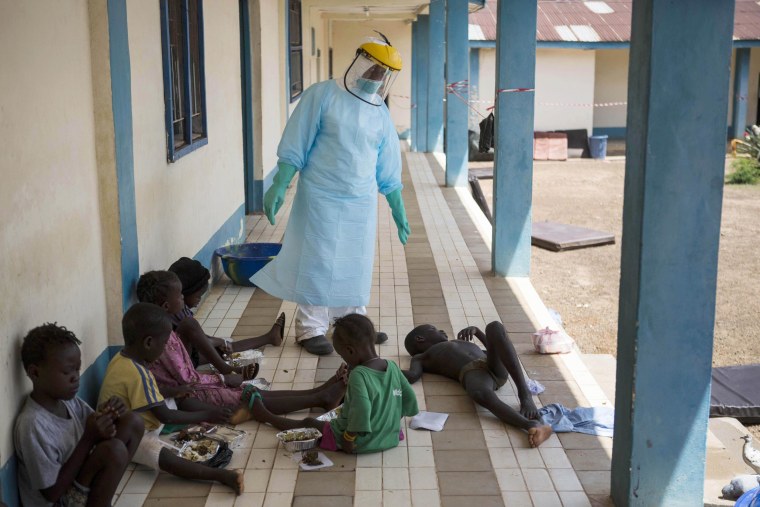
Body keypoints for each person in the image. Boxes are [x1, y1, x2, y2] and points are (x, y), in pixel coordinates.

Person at [251, 33, 410, 355]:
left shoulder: (379, 110)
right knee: (318, 260)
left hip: (360, 201)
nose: (377, 77)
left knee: (356, 262)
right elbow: (297, 141)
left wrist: (398, 208)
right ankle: (310, 328)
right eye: (374, 69)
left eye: (384, 74)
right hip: (321, 195)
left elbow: (387, 163)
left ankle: (352, 324)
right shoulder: (322, 95)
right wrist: (280, 183)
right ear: (359, 61)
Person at [137, 270, 345, 424]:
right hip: (190, 394)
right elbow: (188, 380)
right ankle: (319, 397)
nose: (183, 298)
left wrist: (224, 378)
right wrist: (224, 378)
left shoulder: (164, 332)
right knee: (250, 396)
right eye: (180, 296)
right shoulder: (164, 341)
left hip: (194, 388)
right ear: (166, 306)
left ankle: (318, 393)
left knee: (249, 390)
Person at [98, 303, 244, 494]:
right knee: (161, 454)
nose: (166, 348)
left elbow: (146, 395)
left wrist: (173, 392)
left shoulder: (121, 359)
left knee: (177, 397)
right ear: (149, 343)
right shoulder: (138, 373)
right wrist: (209, 413)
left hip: (137, 416)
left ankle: (197, 419)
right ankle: (221, 476)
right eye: (165, 343)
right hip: (123, 437)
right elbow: (167, 416)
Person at [247, 314, 419, 454]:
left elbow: (362, 410)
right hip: (389, 436)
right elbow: (409, 400)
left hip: (360, 442)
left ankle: (267, 417)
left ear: (350, 351)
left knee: (309, 422)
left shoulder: (359, 374)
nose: (344, 360)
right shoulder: (393, 367)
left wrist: (349, 438)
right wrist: (389, 423)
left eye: (343, 355)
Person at [15, 323, 144, 507]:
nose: (76, 377)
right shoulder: (32, 424)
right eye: (67, 372)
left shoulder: (67, 401)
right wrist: (89, 438)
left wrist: (111, 414)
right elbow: (51, 493)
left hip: (76, 484)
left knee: (133, 422)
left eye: (77, 369)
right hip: (59, 499)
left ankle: (102, 496)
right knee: (113, 450)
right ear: (35, 373)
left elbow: (100, 430)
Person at [402, 321, 554, 448]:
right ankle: (531, 425)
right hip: (473, 373)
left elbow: (495, 348)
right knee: (478, 393)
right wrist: (388, 368)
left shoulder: (457, 342)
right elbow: (413, 375)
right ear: (420, 339)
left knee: (495, 327)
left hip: (490, 365)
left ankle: (525, 395)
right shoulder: (421, 357)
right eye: (433, 329)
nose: (441, 330)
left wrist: (477, 332)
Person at [168, 256, 285, 373]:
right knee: (224, 348)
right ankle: (228, 370)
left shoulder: (177, 306)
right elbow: (198, 340)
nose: (199, 300)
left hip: (182, 350)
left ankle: (269, 337)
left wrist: (218, 341)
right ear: (184, 293)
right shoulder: (177, 311)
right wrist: (220, 342)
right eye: (198, 296)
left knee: (222, 345)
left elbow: (199, 336)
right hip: (179, 358)